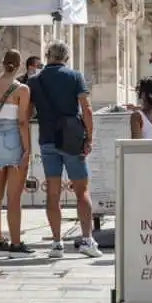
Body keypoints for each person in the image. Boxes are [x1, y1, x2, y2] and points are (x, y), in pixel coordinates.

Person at [28, 41, 102, 259]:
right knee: (82, 191)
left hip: (47, 139)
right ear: (66, 58)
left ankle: (57, 243)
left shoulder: (34, 81)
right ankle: (87, 240)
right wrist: (89, 136)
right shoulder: (75, 76)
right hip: (71, 140)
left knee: (52, 193)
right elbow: (86, 109)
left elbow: (29, 112)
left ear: (47, 56)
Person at [0, 50, 34, 258]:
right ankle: (15, 243)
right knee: (14, 198)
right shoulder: (22, 89)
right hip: (14, 137)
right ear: (19, 65)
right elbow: (22, 121)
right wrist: (27, 148)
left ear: (2, 63)